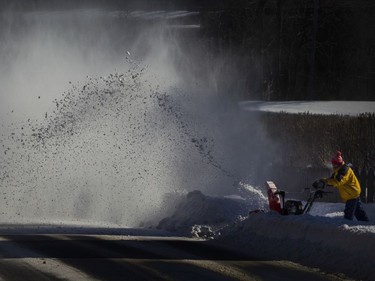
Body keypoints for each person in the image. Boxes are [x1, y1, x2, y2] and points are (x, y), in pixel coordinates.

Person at [314, 151, 369, 221]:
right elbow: (332, 179)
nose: (333, 165)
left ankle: (346, 228)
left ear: (337, 164)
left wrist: (325, 183)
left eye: (334, 164)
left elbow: (337, 181)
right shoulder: (338, 169)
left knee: (348, 215)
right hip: (353, 193)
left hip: (351, 193)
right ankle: (365, 223)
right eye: (332, 164)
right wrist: (322, 181)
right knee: (359, 212)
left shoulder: (344, 170)